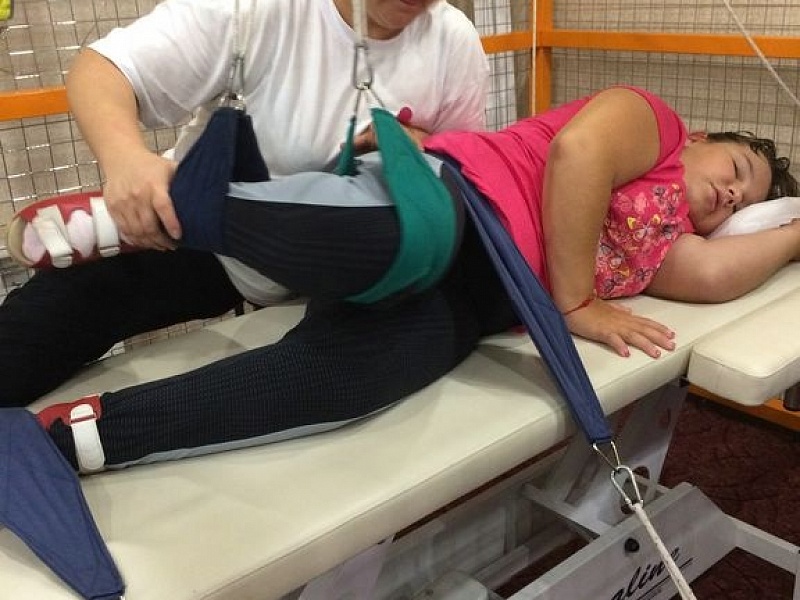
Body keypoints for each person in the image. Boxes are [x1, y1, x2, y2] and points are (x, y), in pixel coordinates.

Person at [5, 85, 800, 473]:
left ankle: (89, 436)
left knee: (351, 380)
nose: (731, 195)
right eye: (736, 169)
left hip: (477, 300)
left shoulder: (663, 246)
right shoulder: (654, 125)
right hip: (459, 205)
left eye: (743, 203)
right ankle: (159, 212)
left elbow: (718, 273)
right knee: (387, 237)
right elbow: (577, 153)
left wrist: (790, 231)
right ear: (700, 138)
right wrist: (577, 301)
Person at [0, 0, 490, 406]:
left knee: (320, 384)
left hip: (345, 267)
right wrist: (126, 160)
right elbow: (104, 70)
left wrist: (417, 147)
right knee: (37, 332)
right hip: (204, 241)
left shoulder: (452, 40)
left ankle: (106, 433)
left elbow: (462, 173)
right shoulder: (255, 10)